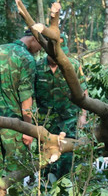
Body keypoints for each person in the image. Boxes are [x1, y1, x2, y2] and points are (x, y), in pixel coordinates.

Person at [0, 30, 43, 171]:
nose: (39, 50)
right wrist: (28, 129)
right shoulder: (26, 58)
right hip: (14, 127)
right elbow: (26, 96)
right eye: (40, 46)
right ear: (34, 38)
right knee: (15, 174)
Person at [33, 33, 87, 180]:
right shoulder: (37, 67)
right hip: (46, 120)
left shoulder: (73, 65)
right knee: (45, 156)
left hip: (68, 119)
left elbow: (83, 91)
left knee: (67, 156)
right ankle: (45, 188)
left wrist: (83, 115)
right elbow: (31, 93)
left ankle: (64, 187)